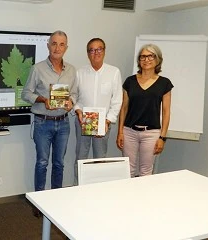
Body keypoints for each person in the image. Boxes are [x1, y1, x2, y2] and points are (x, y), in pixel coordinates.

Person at [21, 30, 76, 217]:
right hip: (43, 123)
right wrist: (43, 100)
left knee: (59, 164)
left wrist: (71, 102)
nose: (57, 48)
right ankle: (39, 202)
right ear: (48, 45)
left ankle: (56, 200)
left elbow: (74, 94)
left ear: (66, 48)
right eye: (54, 43)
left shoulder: (72, 70)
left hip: (63, 123)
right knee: (42, 163)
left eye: (61, 44)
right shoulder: (37, 69)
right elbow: (25, 94)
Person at [116, 44, 173, 177]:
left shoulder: (164, 83)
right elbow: (124, 108)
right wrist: (120, 132)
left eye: (150, 56)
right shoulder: (130, 81)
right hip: (129, 131)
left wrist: (162, 138)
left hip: (151, 133)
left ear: (157, 59)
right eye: (143, 57)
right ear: (139, 60)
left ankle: (143, 198)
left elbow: (166, 112)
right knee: (127, 171)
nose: (146, 60)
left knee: (146, 172)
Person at [73, 38, 122, 184]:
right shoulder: (79, 72)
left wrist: (108, 121)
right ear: (88, 53)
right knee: (80, 158)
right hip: (83, 122)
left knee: (100, 159)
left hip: (103, 124)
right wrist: (78, 111)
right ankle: (77, 188)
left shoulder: (113, 72)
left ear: (104, 51)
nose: (96, 53)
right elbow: (73, 96)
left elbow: (117, 100)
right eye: (92, 50)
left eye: (99, 49)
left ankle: (97, 190)